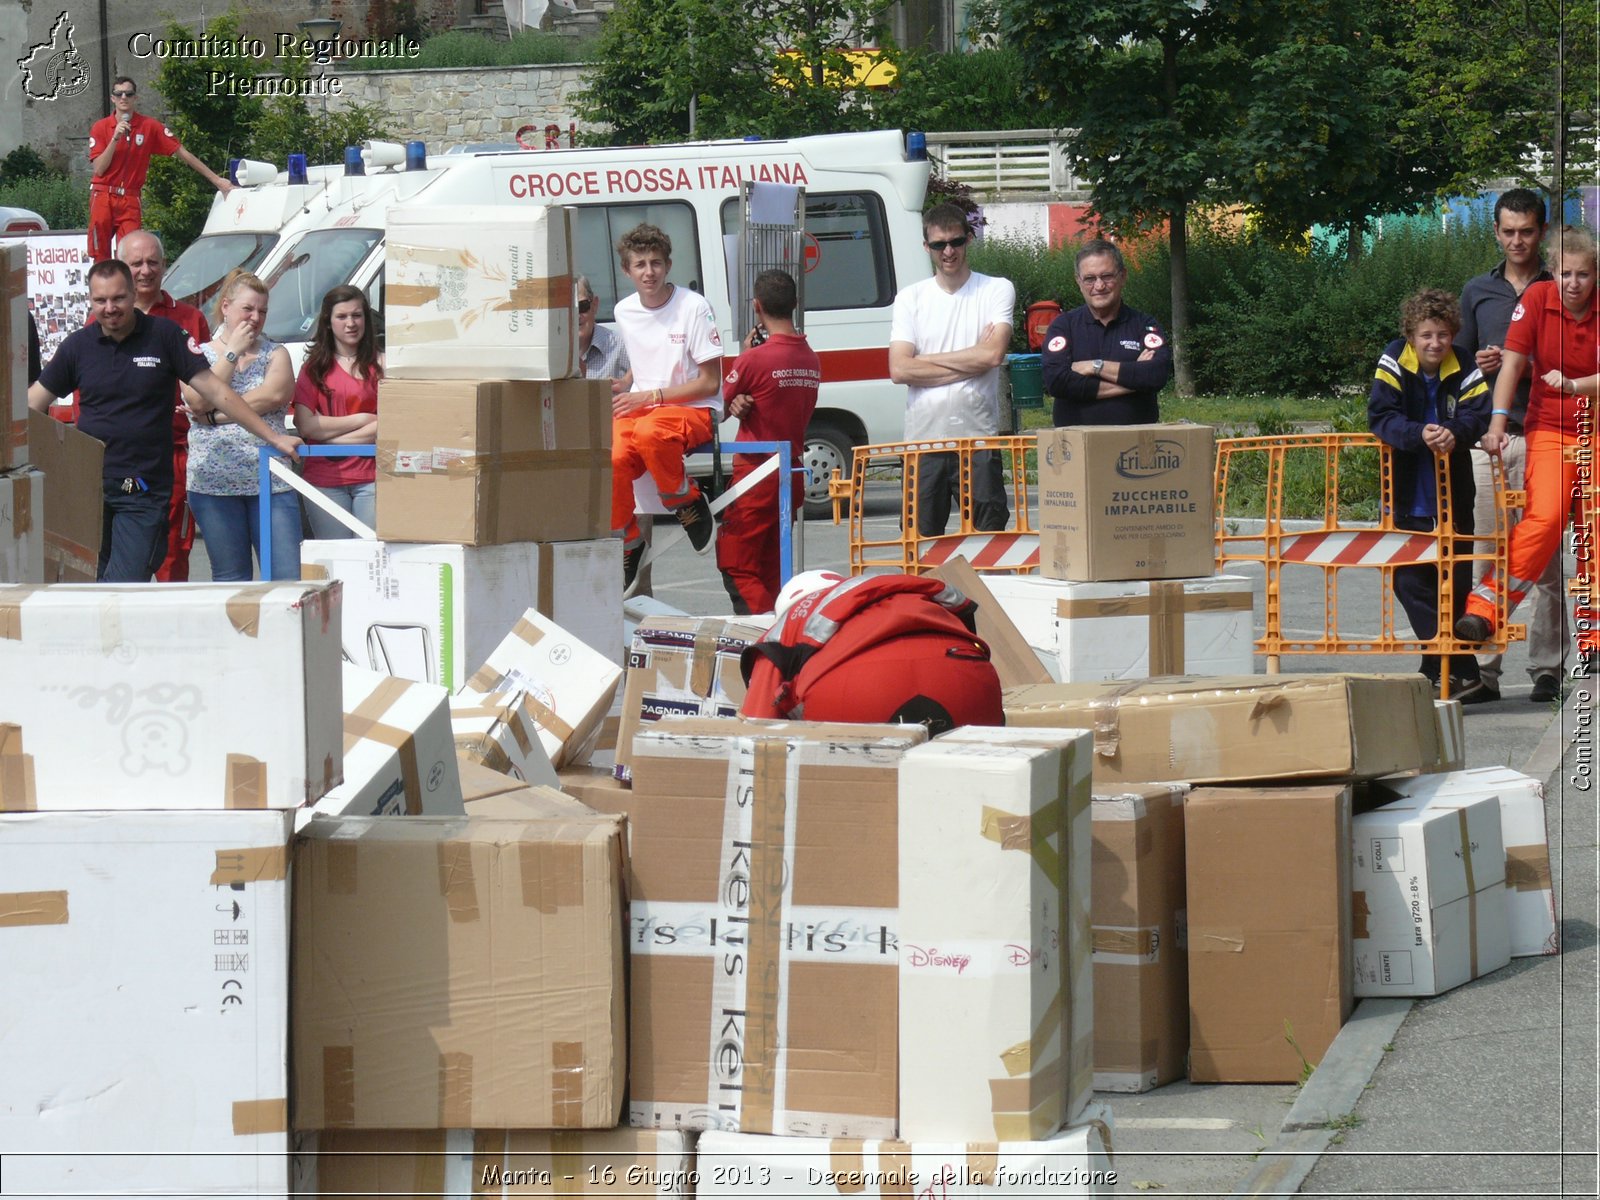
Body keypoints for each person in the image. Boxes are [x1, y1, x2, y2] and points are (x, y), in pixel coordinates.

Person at [26, 259, 299, 582]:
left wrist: (274, 438)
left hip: (141, 489)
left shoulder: (163, 336)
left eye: (118, 298)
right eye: (101, 300)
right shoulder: (78, 346)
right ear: (91, 300)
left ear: (133, 294)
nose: (110, 308)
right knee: (89, 584)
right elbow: (32, 406)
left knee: (122, 584)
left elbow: (217, 393)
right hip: (90, 489)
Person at [1457, 225, 1600, 666]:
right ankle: (1485, 610)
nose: (1573, 284)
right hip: (1551, 428)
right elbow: (1513, 365)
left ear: (1595, 274)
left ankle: (1593, 638)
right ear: (1552, 272)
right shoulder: (1537, 300)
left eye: (1583, 275)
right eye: (1565, 274)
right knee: (1546, 517)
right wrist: (1497, 424)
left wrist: (1575, 384)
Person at [1457, 190, 1567, 703]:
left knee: (1545, 565)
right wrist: (1480, 366)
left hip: (1549, 434)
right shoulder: (1478, 291)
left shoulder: (1564, 285)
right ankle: (1485, 672)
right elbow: (1453, 368)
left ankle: (1548, 668)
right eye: (1508, 231)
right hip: (1493, 441)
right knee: (1487, 554)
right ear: (1496, 233)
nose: (1517, 240)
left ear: (1542, 231)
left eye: (1527, 230)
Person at [1368, 289, 1492, 703]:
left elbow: (1478, 413)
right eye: (1425, 335)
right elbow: (1380, 416)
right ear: (1410, 335)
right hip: (1406, 496)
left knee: (1454, 586)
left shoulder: (1465, 362)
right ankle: (1458, 665)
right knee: (1407, 581)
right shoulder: (1393, 358)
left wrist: (1454, 432)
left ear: (1452, 333)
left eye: (1442, 334)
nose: (1435, 343)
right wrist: (1419, 433)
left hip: (1453, 498)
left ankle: (1439, 671)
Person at [889, 202, 1014, 536]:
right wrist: (971, 360)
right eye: (939, 244)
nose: (949, 251)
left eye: (956, 242)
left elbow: (992, 356)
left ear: (969, 239)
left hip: (978, 439)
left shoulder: (996, 288)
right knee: (920, 548)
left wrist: (926, 361)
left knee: (989, 544)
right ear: (926, 246)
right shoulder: (910, 298)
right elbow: (899, 370)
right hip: (922, 443)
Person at [609, 223, 723, 587]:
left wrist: (652, 395)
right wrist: (627, 383)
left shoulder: (694, 306)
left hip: (695, 408)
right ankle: (629, 538)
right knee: (605, 456)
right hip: (644, 409)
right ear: (627, 270)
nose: (649, 272)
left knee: (649, 431)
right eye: (640, 264)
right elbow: (648, 359)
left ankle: (686, 500)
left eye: (656, 263)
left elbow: (711, 381)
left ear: (668, 265)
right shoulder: (624, 311)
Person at [181, 270, 301, 581]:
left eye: (262, 310)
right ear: (226, 307)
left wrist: (215, 416)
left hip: (271, 482)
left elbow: (274, 395)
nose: (256, 317)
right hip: (213, 484)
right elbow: (198, 401)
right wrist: (231, 353)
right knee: (231, 580)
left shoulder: (276, 353)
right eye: (248, 308)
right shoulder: (200, 353)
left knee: (285, 577)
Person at [716, 269, 822, 614]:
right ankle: (781, 634)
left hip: (755, 473)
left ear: (756, 306)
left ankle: (763, 635)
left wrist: (742, 362)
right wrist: (741, 400)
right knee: (774, 567)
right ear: (795, 304)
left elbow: (715, 410)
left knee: (737, 562)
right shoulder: (810, 359)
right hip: (790, 472)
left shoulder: (753, 359)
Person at [113, 230, 212, 581]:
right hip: (122, 460)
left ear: (165, 265)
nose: (145, 270)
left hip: (175, 456)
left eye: (152, 262)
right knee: (123, 553)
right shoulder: (103, 320)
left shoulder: (189, 319)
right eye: (135, 263)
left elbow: (209, 387)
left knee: (173, 556)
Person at [87, 77, 234, 262]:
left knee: (132, 254)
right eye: (119, 94)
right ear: (113, 98)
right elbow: (99, 169)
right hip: (104, 194)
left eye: (129, 94)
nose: (124, 97)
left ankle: (130, 291)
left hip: (130, 197)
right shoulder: (101, 127)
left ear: (135, 98)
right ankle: (103, 290)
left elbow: (182, 152)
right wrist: (115, 138)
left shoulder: (148, 126)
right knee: (101, 258)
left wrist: (217, 180)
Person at [1041, 238, 1173, 427]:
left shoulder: (1144, 325)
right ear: (1078, 281)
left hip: (1136, 445)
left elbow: (1156, 375)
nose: (1099, 286)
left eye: (1107, 276)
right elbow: (1057, 382)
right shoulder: (1064, 326)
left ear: (1123, 276)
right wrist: (1134, 382)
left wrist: (1095, 366)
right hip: (1076, 445)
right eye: (1090, 279)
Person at [293, 286, 381, 540]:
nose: (351, 323)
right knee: (336, 561)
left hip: (372, 479)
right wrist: (362, 418)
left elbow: (389, 424)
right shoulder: (313, 368)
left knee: (370, 559)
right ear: (328, 323)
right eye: (342, 317)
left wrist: (330, 439)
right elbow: (306, 426)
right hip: (324, 480)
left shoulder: (382, 365)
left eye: (357, 315)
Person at [576, 274, 630, 382]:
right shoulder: (544, 356)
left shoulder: (621, 347)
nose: (576, 316)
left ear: (595, 305)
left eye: (582, 306)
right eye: (567, 310)